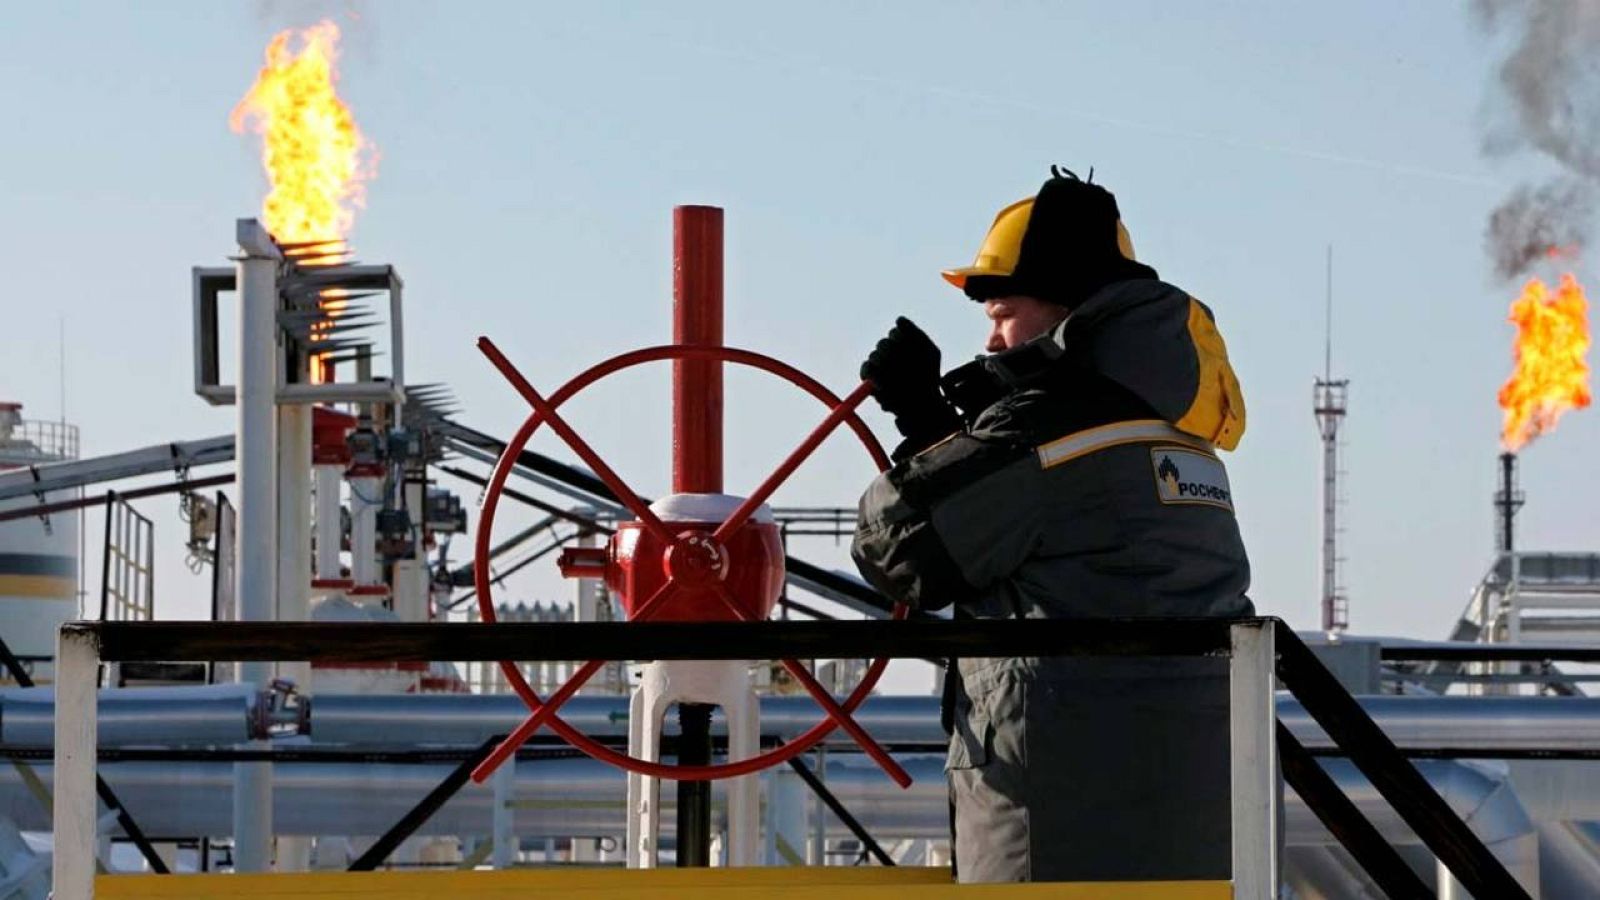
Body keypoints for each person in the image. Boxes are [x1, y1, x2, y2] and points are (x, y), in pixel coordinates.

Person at [850, 167, 1253, 883]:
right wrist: (941, 433)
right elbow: (1054, 519)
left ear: (1067, 309)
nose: (995, 342)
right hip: (1195, 814)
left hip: (1059, 817)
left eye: (1001, 314)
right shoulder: (1179, 435)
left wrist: (922, 423)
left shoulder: (1044, 434)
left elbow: (902, 550)